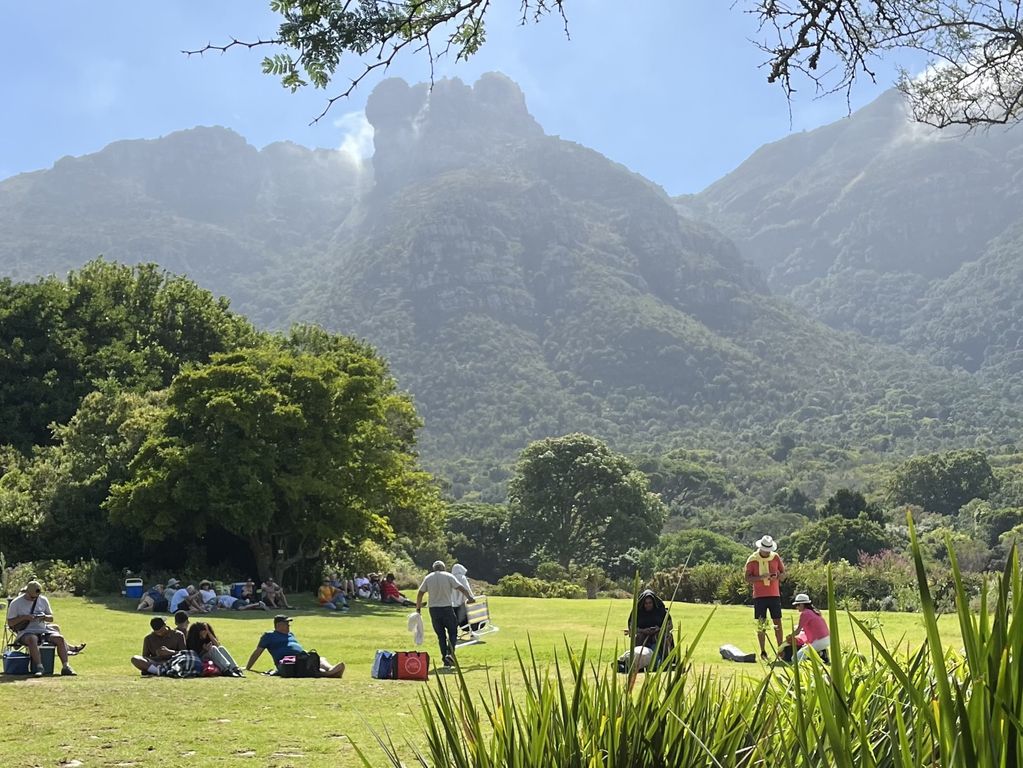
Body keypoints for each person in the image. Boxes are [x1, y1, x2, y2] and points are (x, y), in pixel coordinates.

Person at [5, 580, 78, 676]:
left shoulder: (43, 600)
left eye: (36, 597)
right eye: (32, 597)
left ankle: (66, 667)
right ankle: (39, 667)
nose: (34, 599)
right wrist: (25, 617)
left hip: (43, 629)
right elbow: (10, 622)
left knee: (59, 638)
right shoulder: (16, 603)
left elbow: (51, 618)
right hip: (25, 631)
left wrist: (43, 617)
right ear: (26, 592)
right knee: (32, 639)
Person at [244, 615, 345, 677]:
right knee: (303, 663)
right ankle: (328, 673)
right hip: (286, 661)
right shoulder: (269, 635)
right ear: (278, 625)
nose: (289, 626)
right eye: (286, 624)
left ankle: (331, 669)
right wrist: (248, 667)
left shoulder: (290, 635)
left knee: (320, 659)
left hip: (300, 657)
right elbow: (258, 652)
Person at [416, 561, 474, 668]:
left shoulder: (428, 578)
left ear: (433, 568)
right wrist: (470, 598)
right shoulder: (448, 576)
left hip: (433, 609)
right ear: (444, 568)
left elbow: (420, 592)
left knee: (441, 636)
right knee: (453, 632)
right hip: (446, 608)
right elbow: (460, 587)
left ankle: (445, 659)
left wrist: (418, 608)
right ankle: (449, 654)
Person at [745, 534, 786, 660]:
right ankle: (763, 652)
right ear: (760, 548)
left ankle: (780, 651)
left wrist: (777, 577)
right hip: (759, 596)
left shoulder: (775, 557)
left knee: (777, 622)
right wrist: (761, 578)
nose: (767, 552)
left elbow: (783, 574)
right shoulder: (752, 560)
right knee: (761, 624)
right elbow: (747, 578)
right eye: (765, 550)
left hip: (774, 594)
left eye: (769, 550)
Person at [626, 589, 675, 666]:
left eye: (650, 603)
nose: (648, 605)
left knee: (665, 636)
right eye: (646, 603)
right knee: (637, 636)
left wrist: (659, 629)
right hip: (643, 635)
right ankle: (637, 661)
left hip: (658, 634)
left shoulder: (661, 612)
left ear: (653, 603)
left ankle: (666, 660)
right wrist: (643, 630)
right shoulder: (637, 613)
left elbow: (669, 625)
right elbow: (631, 627)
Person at [786, 593, 831, 662]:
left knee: (795, 659)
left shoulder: (805, 613)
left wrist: (790, 636)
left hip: (819, 641)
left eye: (797, 605)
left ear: (803, 604)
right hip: (827, 639)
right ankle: (821, 652)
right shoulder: (815, 612)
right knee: (805, 650)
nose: (796, 607)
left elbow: (798, 631)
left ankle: (820, 654)